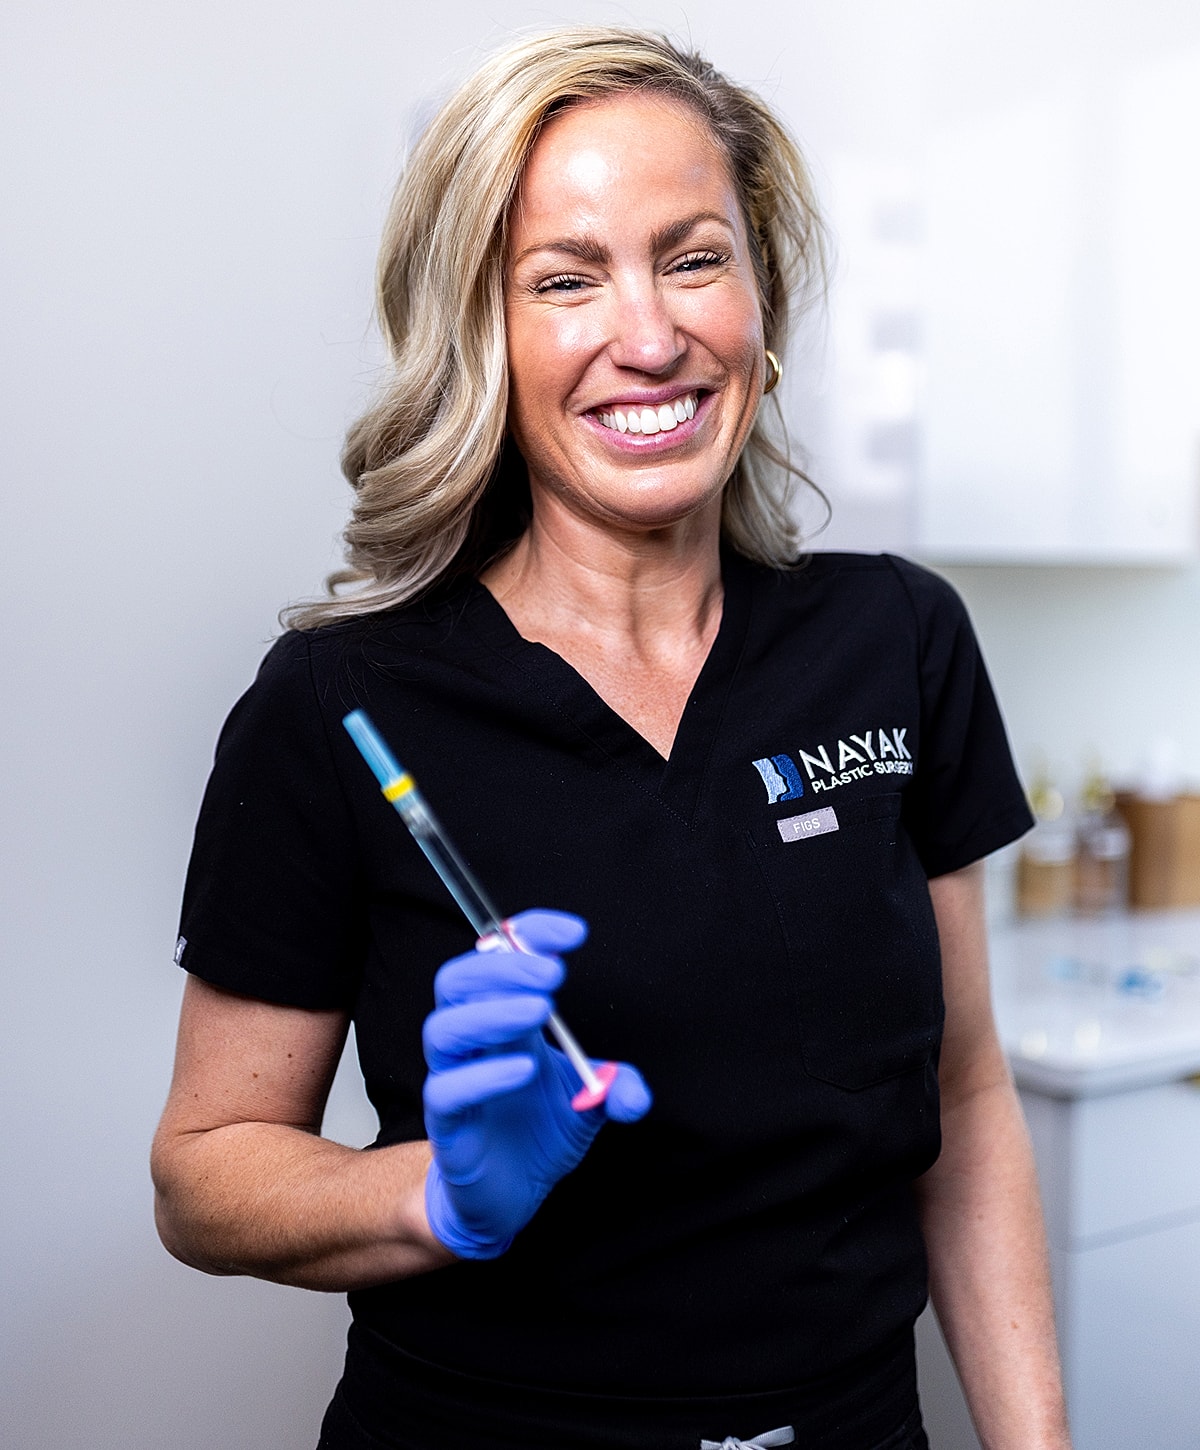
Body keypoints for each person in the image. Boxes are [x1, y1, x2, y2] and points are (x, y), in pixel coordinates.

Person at [151, 26, 1073, 1450]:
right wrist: (435, 1198)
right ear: (484, 334)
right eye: (565, 279)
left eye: (694, 257)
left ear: (763, 297)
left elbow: (965, 1089)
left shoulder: (896, 639)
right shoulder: (337, 703)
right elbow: (203, 1174)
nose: (649, 335)